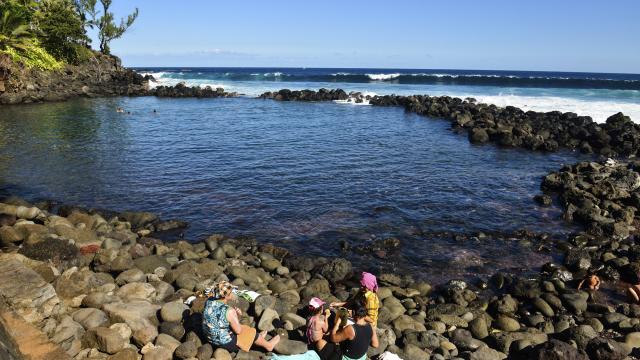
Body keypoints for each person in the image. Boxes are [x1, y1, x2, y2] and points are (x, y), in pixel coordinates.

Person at [202, 281, 280, 352]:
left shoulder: (209, 301)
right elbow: (238, 331)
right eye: (232, 292)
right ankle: (268, 345)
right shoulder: (229, 311)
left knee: (244, 328)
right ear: (226, 296)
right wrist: (237, 315)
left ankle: (259, 339)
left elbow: (218, 318)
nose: (233, 293)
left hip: (209, 337)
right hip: (224, 343)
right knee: (249, 332)